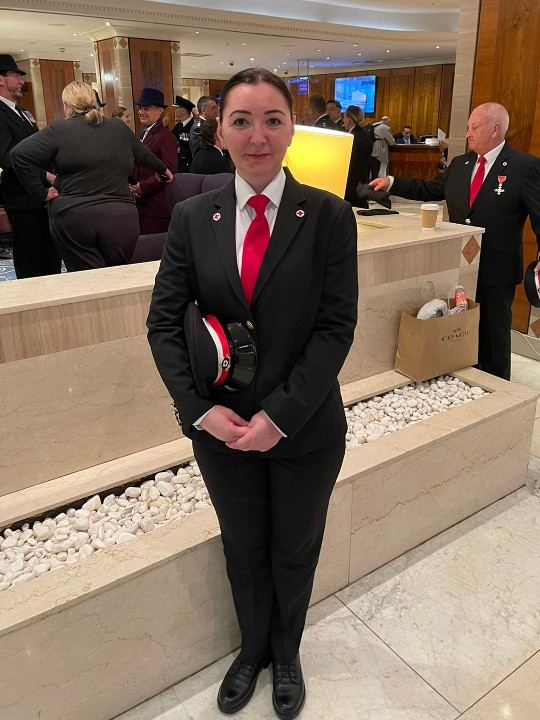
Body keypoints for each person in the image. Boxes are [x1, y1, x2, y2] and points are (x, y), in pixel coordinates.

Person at [147, 67, 358, 720]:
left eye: (273, 119)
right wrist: (201, 410)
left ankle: (286, 653)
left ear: (292, 129)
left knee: (295, 548)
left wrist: (281, 415)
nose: (258, 134)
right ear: (221, 129)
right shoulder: (192, 216)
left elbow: (335, 327)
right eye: (242, 119)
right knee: (243, 548)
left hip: (303, 431)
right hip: (224, 434)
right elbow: (164, 322)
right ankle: (251, 651)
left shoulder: (327, 215)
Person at [370, 102, 540, 380]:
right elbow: (430, 189)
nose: (468, 133)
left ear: (495, 129)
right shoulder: (461, 163)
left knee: (493, 333)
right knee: (461, 325)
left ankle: (496, 386)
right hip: (458, 265)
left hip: (497, 268)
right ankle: (467, 378)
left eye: (475, 127)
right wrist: (391, 182)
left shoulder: (524, 166)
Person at [11, 81, 172, 271]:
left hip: (73, 216)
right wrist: (164, 170)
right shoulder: (118, 127)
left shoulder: (58, 130)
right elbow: (144, 155)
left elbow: (18, 155)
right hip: (120, 217)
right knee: (118, 275)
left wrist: (41, 193)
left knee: (86, 280)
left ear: (67, 106)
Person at [0, 53, 61, 278]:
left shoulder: (21, 111)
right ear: (1, 79)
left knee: (49, 254)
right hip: (22, 195)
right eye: (15, 75)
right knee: (29, 257)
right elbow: (7, 157)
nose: (21, 81)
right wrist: (45, 175)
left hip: (39, 196)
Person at [130, 88, 178, 235]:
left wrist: (142, 187)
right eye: (140, 108)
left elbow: (169, 170)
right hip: (141, 205)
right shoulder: (142, 133)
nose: (141, 112)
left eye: (146, 108)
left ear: (159, 111)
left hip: (156, 208)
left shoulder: (165, 136)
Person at [342, 104, 373, 208]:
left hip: (352, 185)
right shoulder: (365, 135)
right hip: (362, 181)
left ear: (349, 119)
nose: (343, 120)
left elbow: (351, 163)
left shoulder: (351, 137)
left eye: (344, 117)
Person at [171, 95, 195, 172]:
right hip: (178, 164)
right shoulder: (178, 126)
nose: (174, 111)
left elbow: (196, 147)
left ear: (183, 110)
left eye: (176, 108)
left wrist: (181, 150)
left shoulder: (193, 126)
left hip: (188, 165)